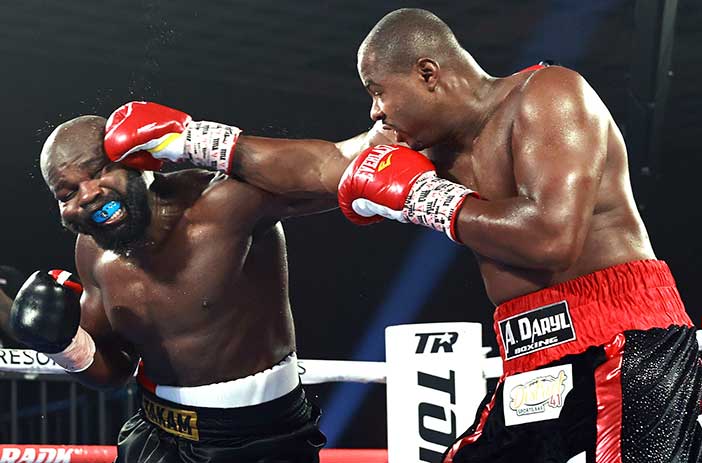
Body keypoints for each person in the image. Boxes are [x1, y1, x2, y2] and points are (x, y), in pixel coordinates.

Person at [95, 8, 702, 463]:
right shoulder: (426, 146)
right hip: (533, 359)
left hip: (625, 341)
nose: (375, 113)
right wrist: (192, 140)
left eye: (379, 92)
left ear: (429, 73)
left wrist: (421, 198)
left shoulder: (547, 96)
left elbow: (551, 238)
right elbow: (322, 165)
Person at [10, 114, 388, 463]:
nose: (88, 194)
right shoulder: (92, 248)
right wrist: (64, 346)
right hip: (155, 431)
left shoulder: (223, 204)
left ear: (137, 159)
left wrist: (195, 138)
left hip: (259, 436)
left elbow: (346, 167)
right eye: (67, 193)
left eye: (98, 171)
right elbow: (114, 370)